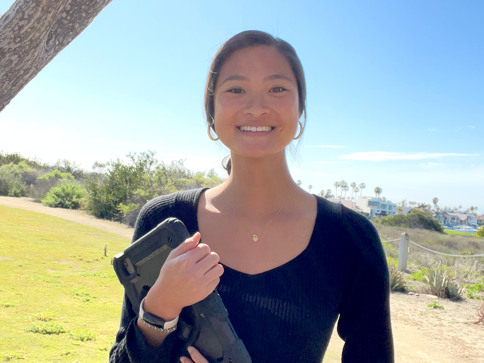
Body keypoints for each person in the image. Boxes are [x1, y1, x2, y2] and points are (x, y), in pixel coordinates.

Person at [110, 30, 394, 363]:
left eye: (277, 89)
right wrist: (159, 309)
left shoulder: (350, 239)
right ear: (211, 113)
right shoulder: (164, 222)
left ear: (300, 109)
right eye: (236, 89)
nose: (257, 108)